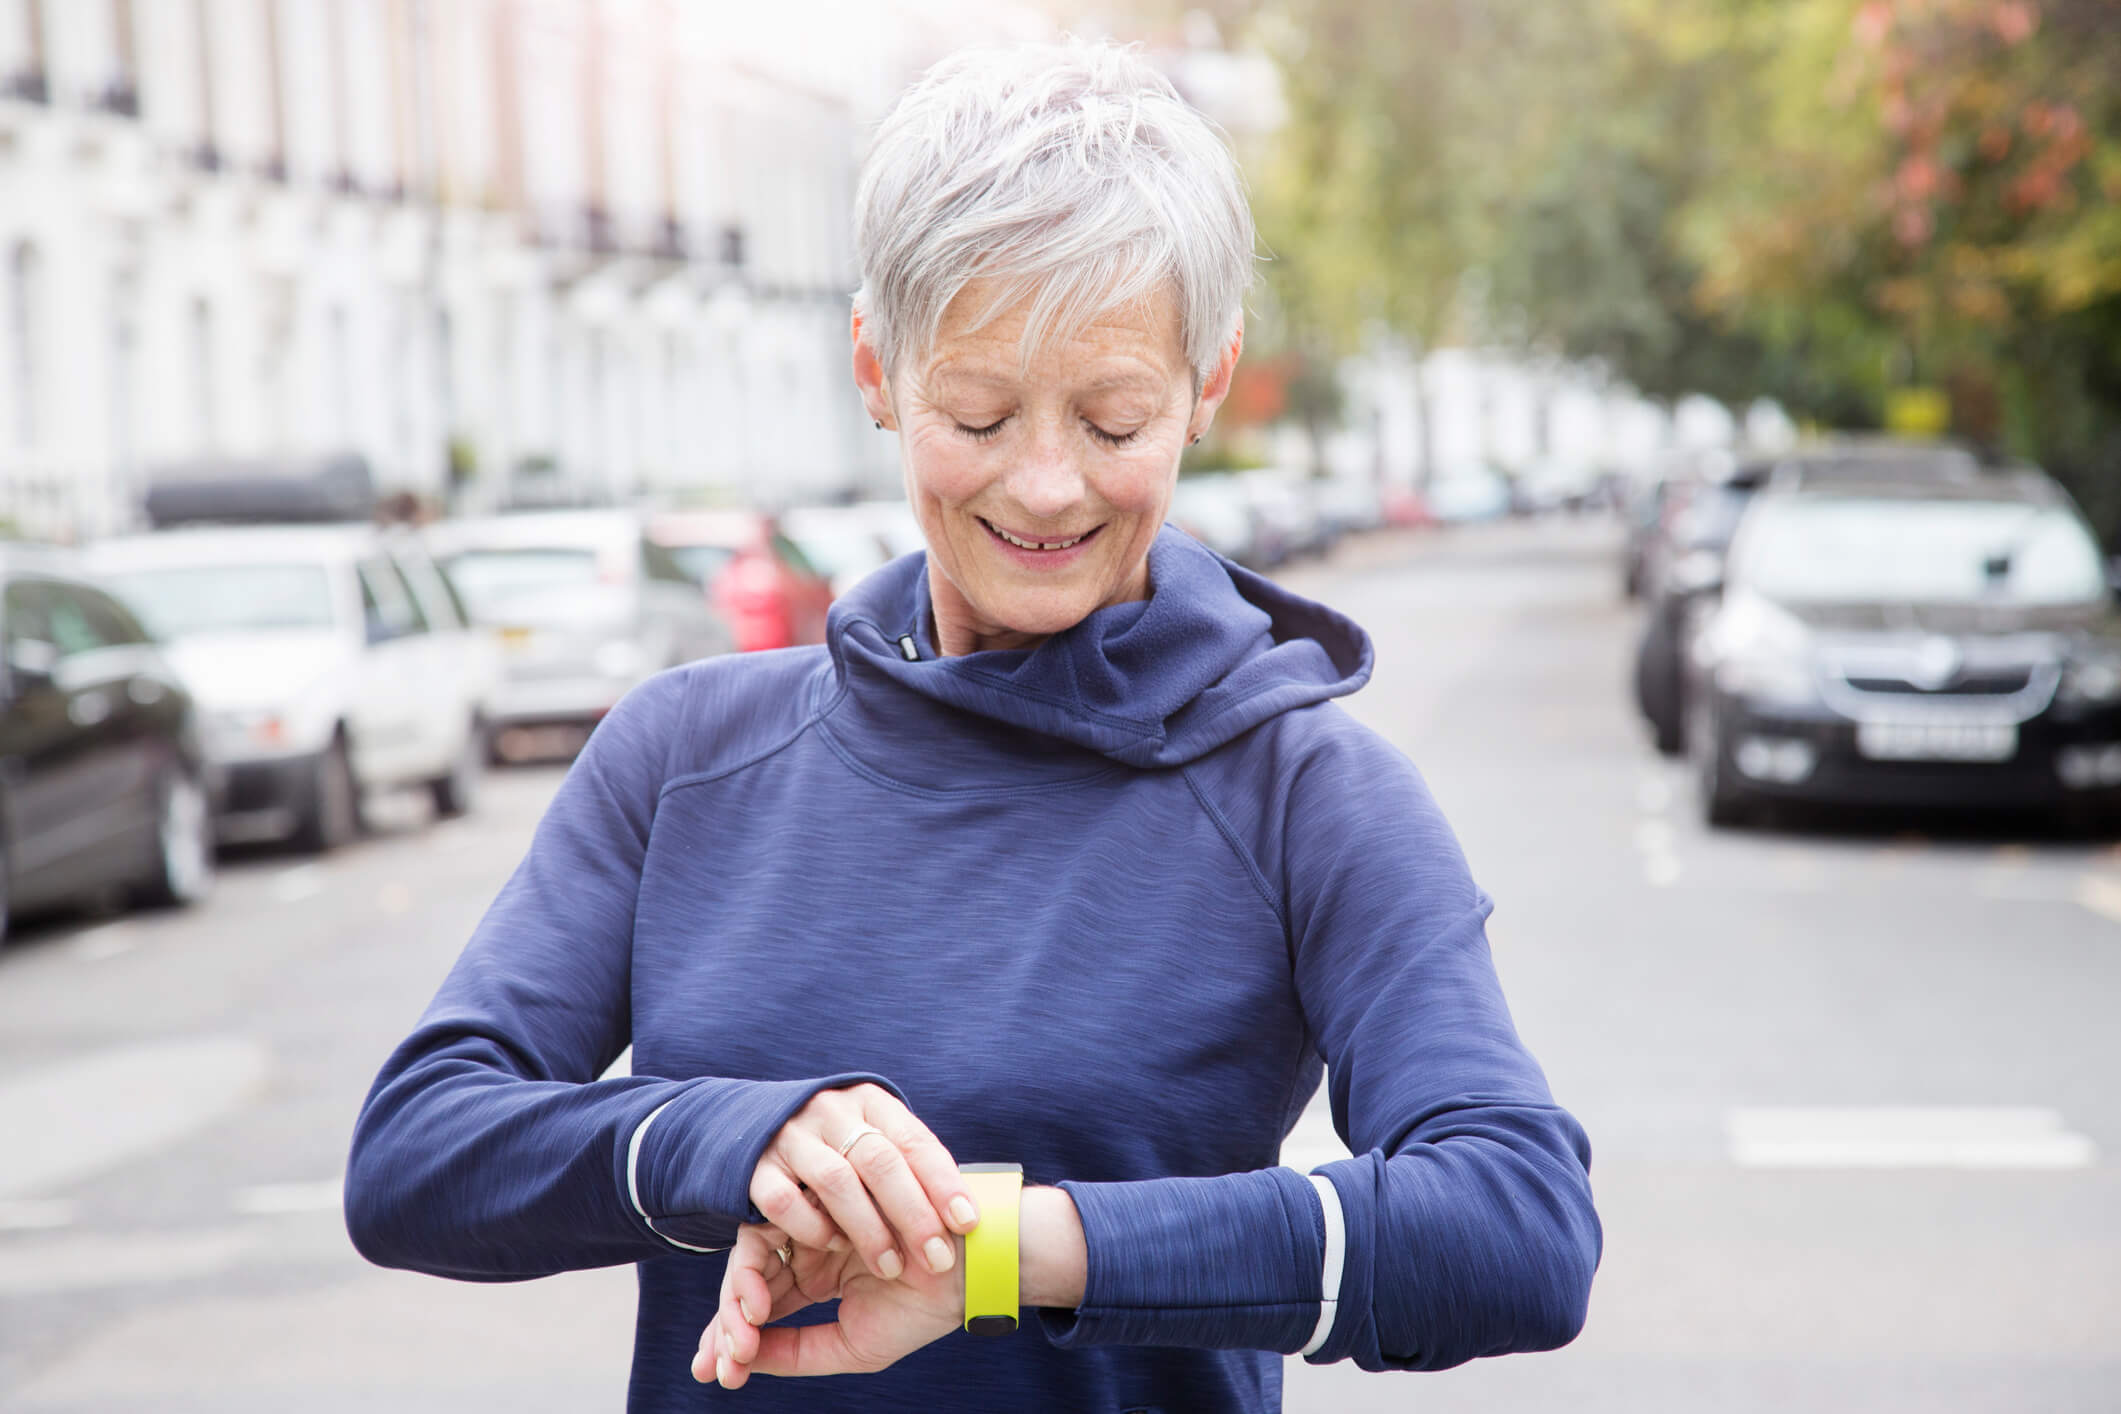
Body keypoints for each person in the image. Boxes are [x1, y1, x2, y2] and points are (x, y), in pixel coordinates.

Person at [345, 38, 1600, 1413]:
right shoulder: (681, 757)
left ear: (1207, 379)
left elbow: (1515, 1226)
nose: (1047, 484)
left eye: (1113, 419)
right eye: (978, 411)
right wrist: (737, 1136)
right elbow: (416, 1154)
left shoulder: (1307, 791)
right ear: (876, 371)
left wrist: (999, 1250)